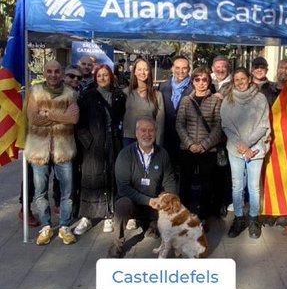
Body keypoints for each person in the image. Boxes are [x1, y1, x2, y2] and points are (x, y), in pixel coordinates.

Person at [26, 60, 79, 245]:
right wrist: (61, 117)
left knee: (67, 191)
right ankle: (46, 226)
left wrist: (49, 114)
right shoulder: (35, 92)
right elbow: (33, 119)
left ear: (62, 73)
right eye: (49, 71)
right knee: (40, 192)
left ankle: (65, 226)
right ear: (44, 72)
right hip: (39, 148)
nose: (53, 74)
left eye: (57, 71)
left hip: (63, 148)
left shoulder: (70, 93)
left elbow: (73, 118)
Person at [109, 117, 176, 258]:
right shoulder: (125, 155)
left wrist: (168, 199)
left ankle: (158, 231)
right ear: (136, 133)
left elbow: (169, 181)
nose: (147, 134)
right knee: (122, 204)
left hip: (155, 204)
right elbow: (123, 188)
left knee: (172, 205)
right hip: (133, 203)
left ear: (156, 132)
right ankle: (116, 247)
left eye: (151, 130)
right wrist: (148, 201)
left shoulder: (162, 154)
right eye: (143, 130)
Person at [72, 63, 126, 237]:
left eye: (106, 75)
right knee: (91, 178)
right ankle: (87, 215)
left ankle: (108, 214)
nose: (103, 78)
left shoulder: (118, 96)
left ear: (111, 76)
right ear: (95, 78)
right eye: (99, 75)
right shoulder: (88, 96)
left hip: (113, 142)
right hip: (93, 146)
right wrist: (88, 143)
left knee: (111, 177)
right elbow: (79, 124)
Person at [222, 65, 271, 239]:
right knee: (237, 186)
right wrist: (241, 145)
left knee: (253, 186)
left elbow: (264, 124)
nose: (240, 82)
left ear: (249, 79)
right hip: (235, 149)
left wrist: (248, 145)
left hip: (255, 149)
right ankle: (238, 218)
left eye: (243, 79)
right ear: (233, 82)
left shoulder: (260, 99)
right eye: (237, 80)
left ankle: (254, 219)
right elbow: (226, 125)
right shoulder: (228, 99)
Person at [175, 67, 225, 221]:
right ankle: (184, 216)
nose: (201, 83)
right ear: (193, 82)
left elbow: (219, 126)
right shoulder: (186, 101)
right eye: (197, 79)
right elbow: (179, 124)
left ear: (209, 82)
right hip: (187, 149)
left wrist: (204, 145)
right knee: (185, 184)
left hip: (208, 150)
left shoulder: (215, 101)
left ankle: (203, 217)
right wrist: (190, 144)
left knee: (206, 185)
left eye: (204, 79)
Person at [156, 56, 192, 170]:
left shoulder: (194, 87)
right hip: (167, 135)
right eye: (177, 68)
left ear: (189, 69)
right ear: (172, 69)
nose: (180, 71)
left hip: (187, 137)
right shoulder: (163, 86)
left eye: (184, 68)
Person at [125, 57, 165, 149]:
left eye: (145, 69)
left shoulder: (157, 95)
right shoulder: (125, 93)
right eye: (139, 69)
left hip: (149, 139)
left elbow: (160, 122)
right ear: (134, 72)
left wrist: (158, 144)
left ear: (149, 72)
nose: (142, 72)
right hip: (129, 139)